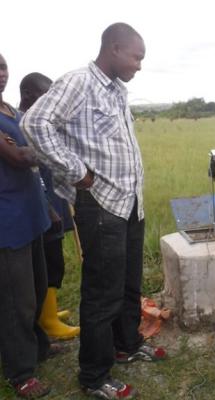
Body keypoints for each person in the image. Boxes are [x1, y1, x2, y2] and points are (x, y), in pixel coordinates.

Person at [21, 23, 166, 399]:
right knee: (103, 292)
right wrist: (76, 170)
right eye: (136, 57)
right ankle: (94, 375)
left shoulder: (117, 90)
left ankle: (126, 345)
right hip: (100, 204)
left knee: (129, 283)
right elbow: (35, 122)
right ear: (115, 49)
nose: (139, 65)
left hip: (130, 202)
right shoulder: (79, 82)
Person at [0, 53, 52, 398]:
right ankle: (19, 372)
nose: (0, 74)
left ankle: (36, 347)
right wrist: (54, 151)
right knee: (15, 300)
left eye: (2, 66)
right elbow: (19, 158)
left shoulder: (11, 112)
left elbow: (26, 152)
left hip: (32, 213)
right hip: (8, 220)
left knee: (36, 289)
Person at [19, 72, 81, 340]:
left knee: (53, 262)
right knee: (48, 262)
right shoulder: (24, 126)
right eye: (46, 97)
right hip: (42, 210)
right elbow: (32, 175)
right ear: (28, 96)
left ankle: (50, 312)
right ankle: (46, 320)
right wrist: (49, 208)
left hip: (53, 203)